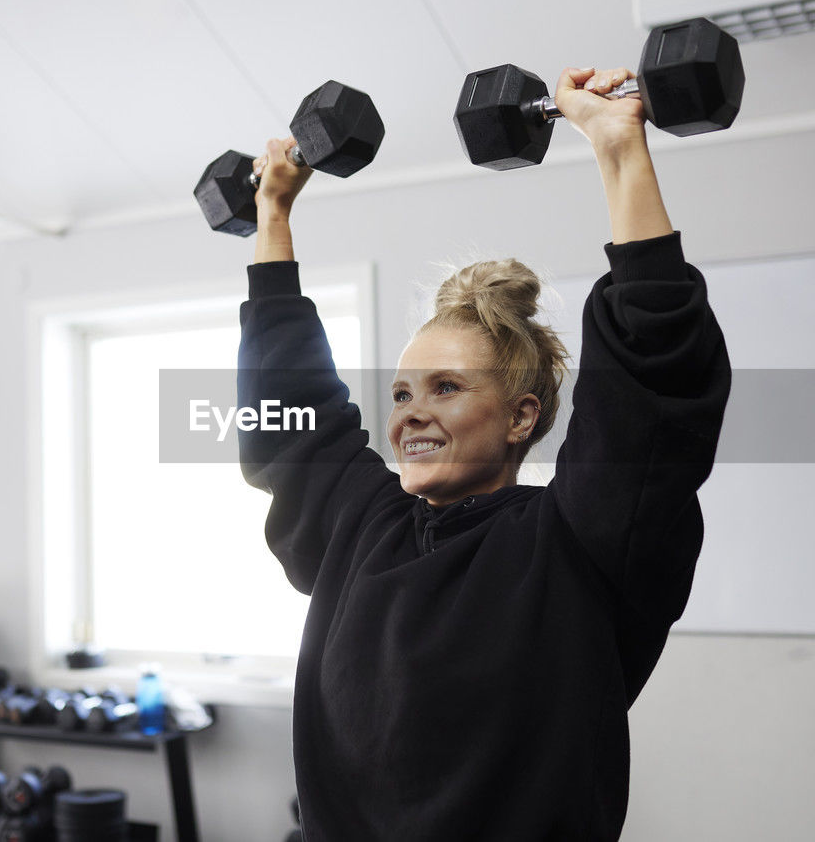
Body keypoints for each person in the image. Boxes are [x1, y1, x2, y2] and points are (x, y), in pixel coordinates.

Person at [236, 65, 732, 841]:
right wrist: (273, 215)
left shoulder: (577, 542)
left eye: (445, 387)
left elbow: (649, 394)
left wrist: (618, 150)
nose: (411, 415)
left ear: (520, 416)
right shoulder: (364, 527)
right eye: (401, 394)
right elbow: (290, 417)